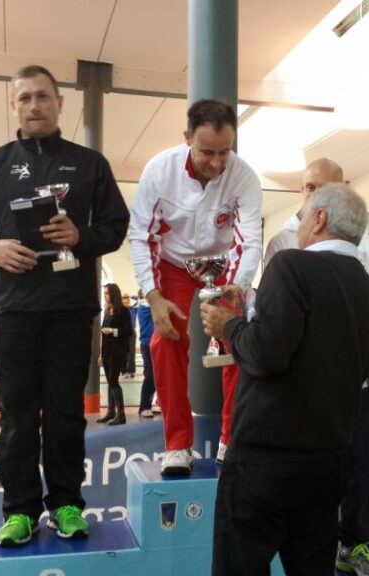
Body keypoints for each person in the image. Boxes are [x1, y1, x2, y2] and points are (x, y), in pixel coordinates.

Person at [0, 64, 129, 547]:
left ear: (59, 103)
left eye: (43, 97)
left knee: (66, 412)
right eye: (25, 98)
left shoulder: (90, 164)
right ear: (14, 105)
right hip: (14, 310)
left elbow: (116, 226)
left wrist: (82, 236)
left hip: (72, 309)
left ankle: (68, 504)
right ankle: (20, 511)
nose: (35, 106)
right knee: (16, 414)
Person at [202, 183, 369, 575]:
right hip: (328, 461)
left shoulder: (291, 265)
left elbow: (265, 355)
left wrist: (228, 326)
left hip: (266, 458)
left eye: (302, 215)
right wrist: (253, 306)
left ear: (319, 219)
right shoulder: (368, 290)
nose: (298, 226)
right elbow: (316, 346)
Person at [264, 157, 369, 576]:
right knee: (307, 465)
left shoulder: (365, 243)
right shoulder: (283, 239)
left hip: (359, 362)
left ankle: (353, 543)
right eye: (306, 186)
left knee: (360, 460)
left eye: (321, 187)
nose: (311, 195)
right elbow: (272, 315)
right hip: (300, 370)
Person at [129, 99, 262, 476]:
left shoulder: (244, 176)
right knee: (165, 340)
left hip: (224, 269)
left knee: (237, 341)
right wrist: (152, 296)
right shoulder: (159, 170)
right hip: (172, 265)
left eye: (225, 151)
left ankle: (231, 439)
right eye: (207, 152)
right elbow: (141, 235)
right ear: (187, 138)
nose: (218, 163)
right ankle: (177, 444)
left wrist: (237, 287)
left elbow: (249, 240)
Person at [97, 283, 133, 425]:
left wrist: (113, 331)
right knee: (109, 381)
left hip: (118, 352)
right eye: (104, 293)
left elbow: (128, 331)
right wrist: (101, 354)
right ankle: (110, 412)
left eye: (107, 293)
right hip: (107, 352)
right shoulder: (107, 311)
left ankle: (121, 414)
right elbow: (103, 335)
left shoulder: (123, 311)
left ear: (114, 294)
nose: (105, 296)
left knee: (113, 381)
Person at [136, 289, 157, 418]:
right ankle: (144, 406)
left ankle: (149, 403)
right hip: (147, 344)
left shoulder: (146, 305)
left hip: (151, 343)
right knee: (150, 375)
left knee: (154, 375)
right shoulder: (144, 306)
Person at [122, 293, 137, 378]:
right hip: (123, 333)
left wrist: (130, 296)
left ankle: (131, 370)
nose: (126, 301)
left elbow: (138, 299)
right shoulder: (121, 310)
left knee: (132, 352)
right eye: (124, 299)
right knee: (124, 352)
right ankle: (124, 371)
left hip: (132, 333)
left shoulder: (133, 309)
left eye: (127, 299)